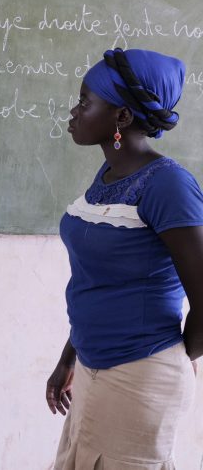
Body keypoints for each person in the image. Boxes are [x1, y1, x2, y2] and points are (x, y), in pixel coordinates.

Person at [46, 48, 203, 469]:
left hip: (140, 379)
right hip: (95, 370)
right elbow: (96, 283)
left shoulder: (168, 185)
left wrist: (166, 358)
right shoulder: (109, 178)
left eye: (85, 101)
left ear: (121, 118)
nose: (75, 112)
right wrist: (69, 358)